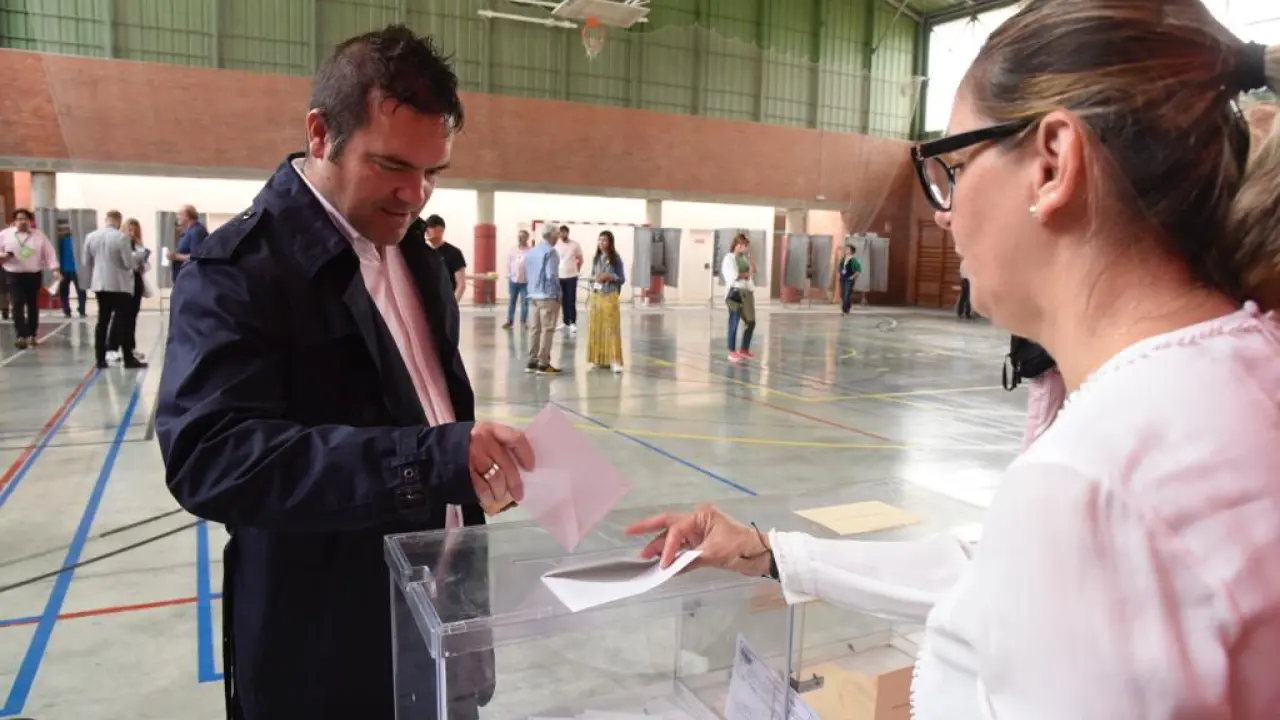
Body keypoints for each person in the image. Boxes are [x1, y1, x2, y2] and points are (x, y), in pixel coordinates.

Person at [628, 2, 1280, 716]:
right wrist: (768, 551)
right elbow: (1001, 572)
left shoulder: (1098, 478)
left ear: (1053, 164)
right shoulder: (1233, 383)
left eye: (958, 168)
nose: (945, 212)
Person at [154, 25, 535, 720]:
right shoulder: (239, 271)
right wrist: (427, 461)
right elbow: (209, 456)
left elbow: (428, 411)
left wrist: (471, 462)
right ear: (321, 134)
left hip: (438, 623)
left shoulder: (417, 259)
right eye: (391, 165)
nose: (415, 194)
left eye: (433, 173)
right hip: (327, 648)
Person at [83, 210, 145, 369]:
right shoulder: (121, 238)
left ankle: (100, 359)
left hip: (99, 284)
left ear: (106, 219)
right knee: (123, 321)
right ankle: (128, 358)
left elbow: (86, 261)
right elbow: (128, 263)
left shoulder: (91, 237)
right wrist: (138, 257)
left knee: (102, 320)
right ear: (119, 221)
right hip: (119, 285)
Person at [0, 208, 58, 349]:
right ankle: (21, 335)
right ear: (14, 221)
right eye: (19, 219)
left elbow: (49, 253)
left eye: (25, 219)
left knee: (32, 305)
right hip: (13, 274)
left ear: (30, 221)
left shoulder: (39, 235)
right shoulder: (5, 234)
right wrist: (3, 255)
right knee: (17, 304)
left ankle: (31, 334)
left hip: (33, 274)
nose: (22, 221)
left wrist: (55, 269)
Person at [107, 218, 150, 363]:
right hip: (123, 284)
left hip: (136, 281)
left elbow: (143, 266)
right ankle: (111, 348)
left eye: (135, 231)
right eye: (130, 230)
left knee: (132, 317)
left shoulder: (137, 245)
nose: (132, 233)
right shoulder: (119, 243)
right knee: (119, 317)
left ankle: (130, 348)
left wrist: (142, 261)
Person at [585, 230, 625, 373]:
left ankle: (614, 360)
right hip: (597, 296)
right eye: (600, 239)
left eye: (605, 240)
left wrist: (610, 276)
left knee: (610, 328)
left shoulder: (616, 259)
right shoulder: (596, 258)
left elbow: (622, 278)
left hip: (610, 296)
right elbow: (593, 274)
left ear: (610, 242)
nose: (601, 242)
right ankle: (599, 359)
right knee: (597, 328)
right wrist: (593, 279)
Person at [523, 226, 562, 375]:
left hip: (533, 295)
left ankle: (531, 361)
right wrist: (557, 293)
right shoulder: (551, 252)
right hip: (547, 296)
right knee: (548, 329)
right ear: (551, 235)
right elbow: (551, 275)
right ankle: (543, 363)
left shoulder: (532, 252)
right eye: (556, 234)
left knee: (535, 329)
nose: (558, 237)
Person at [720, 233, 756, 362]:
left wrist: (749, 260)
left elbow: (753, 271)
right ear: (737, 245)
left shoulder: (744, 258)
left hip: (746, 291)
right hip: (734, 292)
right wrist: (745, 274)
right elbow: (734, 275)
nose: (744, 248)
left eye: (746, 246)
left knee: (751, 321)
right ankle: (731, 351)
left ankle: (744, 349)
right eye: (743, 245)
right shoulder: (729, 258)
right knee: (734, 321)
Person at [424, 213, 467, 302]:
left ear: (441, 230)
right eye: (426, 227)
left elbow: (461, 285)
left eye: (431, 226)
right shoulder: (424, 253)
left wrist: (452, 305)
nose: (427, 230)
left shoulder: (454, 253)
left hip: (446, 303)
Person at [55, 220, 87, 319]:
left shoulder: (58, 241)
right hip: (76, 269)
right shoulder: (78, 241)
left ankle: (67, 311)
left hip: (64, 269)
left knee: (64, 292)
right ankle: (81, 310)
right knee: (81, 291)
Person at [555, 225, 583, 334]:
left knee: (571, 299)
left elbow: (580, 258)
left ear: (568, 233)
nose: (563, 234)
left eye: (564, 232)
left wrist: (577, 270)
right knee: (563, 300)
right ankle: (565, 322)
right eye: (561, 232)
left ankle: (572, 322)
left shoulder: (575, 245)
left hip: (571, 276)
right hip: (559, 276)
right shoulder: (556, 245)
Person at [169, 204, 207, 282]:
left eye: (180, 214)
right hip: (184, 278)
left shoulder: (197, 231)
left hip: (191, 279)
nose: (177, 217)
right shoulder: (188, 231)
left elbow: (197, 257)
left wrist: (176, 256)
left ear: (188, 216)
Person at [502, 229, 530, 330]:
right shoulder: (512, 250)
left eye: (522, 236)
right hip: (513, 281)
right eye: (519, 236)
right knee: (512, 301)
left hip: (526, 281)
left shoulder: (531, 251)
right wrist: (509, 275)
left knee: (525, 302)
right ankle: (510, 321)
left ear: (527, 238)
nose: (520, 238)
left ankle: (523, 321)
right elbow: (508, 263)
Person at [837, 244, 861, 315]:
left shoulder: (854, 260)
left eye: (848, 249)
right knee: (842, 294)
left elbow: (858, 270)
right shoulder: (843, 259)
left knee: (847, 294)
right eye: (846, 249)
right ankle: (846, 308)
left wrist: (852, 277)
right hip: (842, 278)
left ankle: (845, 310)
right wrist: (840, 274)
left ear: (851, 251)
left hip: (849, 279)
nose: (846, 250)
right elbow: (840, 268)